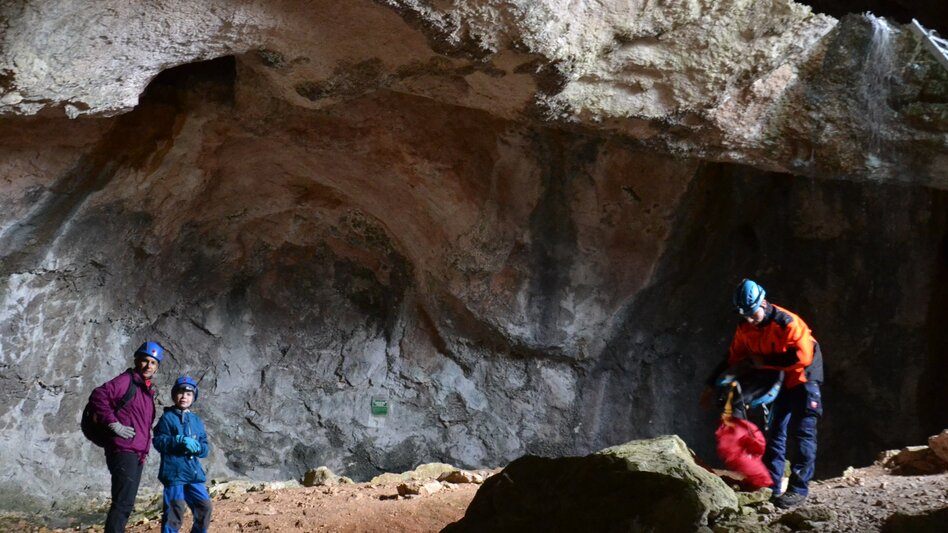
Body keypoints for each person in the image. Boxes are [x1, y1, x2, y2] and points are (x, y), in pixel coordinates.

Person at [702, 279, 824, 508]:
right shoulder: (745, 327)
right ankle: (771, 484)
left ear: (763, 303)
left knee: (803, 432)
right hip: (778, 378)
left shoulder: (787, 322)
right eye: (744, 314)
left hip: (803, 377)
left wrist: (763, 361)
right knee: (776, 431)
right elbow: (732, 358)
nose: (749, 319)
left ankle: (798, 490)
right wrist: (710, 385)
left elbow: (801, 357)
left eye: (752, 313)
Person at [88, 341, 164, 533]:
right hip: (123, 449)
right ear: (137, 361)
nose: (148, 366)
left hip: (136, 452)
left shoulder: (145, 390)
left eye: (153, 363)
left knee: (126, 503)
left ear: (157, 367)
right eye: (145, 361)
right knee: (123, 504)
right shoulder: (127, 381)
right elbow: (99, 396)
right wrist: (114, 424)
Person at [153, 376, 212, 533]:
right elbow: (158, 442)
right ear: (174, 395)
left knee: (204, 507)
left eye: (188, 394)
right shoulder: (167, 418)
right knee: (175, 511)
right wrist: (177, 440)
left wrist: (199, 448)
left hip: (193, 472)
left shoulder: (197, 421)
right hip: (174, 473)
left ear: (193, 397)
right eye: (180, 393)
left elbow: (206, 448)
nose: (184, 397)